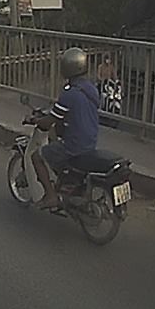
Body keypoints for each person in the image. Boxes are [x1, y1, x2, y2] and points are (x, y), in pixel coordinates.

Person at [28, 47, 101, 210]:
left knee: (37, 157)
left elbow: (49, 122)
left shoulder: (69, 94)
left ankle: (51, 196)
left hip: (74, 145)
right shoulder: (91, 88)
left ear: (67, 68)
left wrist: (35, 120)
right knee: (57, 144)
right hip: (91, 141)